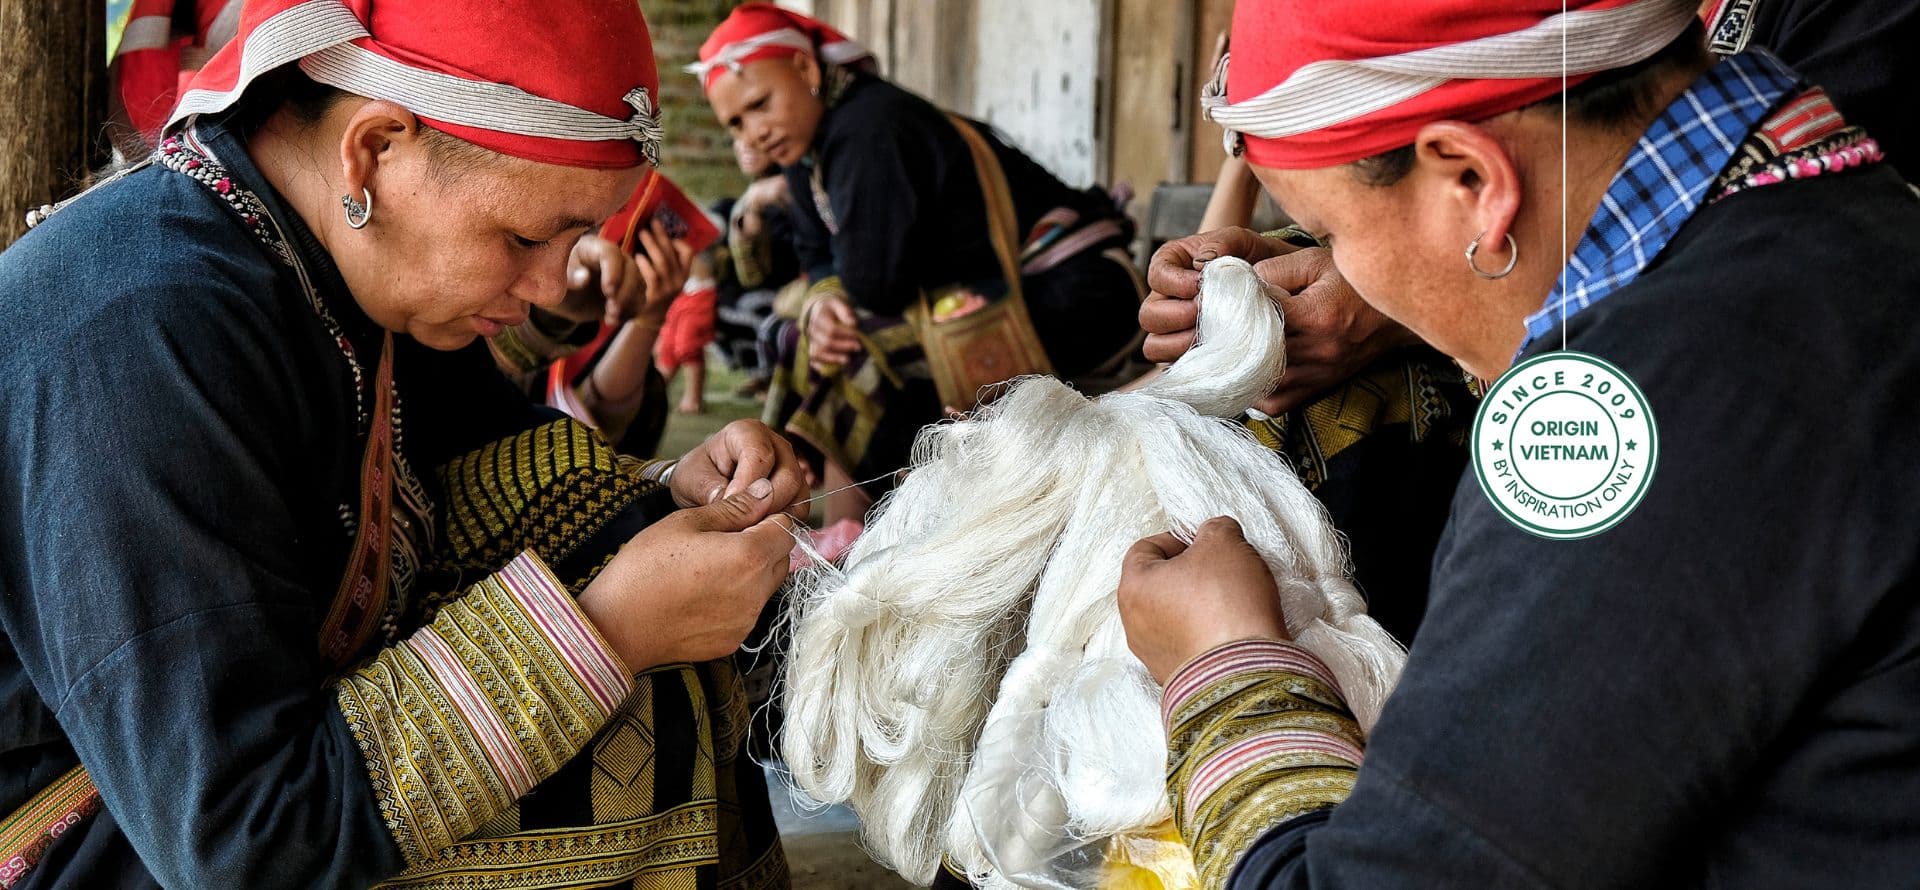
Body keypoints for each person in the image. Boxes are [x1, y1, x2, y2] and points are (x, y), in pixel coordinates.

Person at [0, 0, 808, 886]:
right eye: (526, 236)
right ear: (375, 151)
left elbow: (511, 460)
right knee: (629, 752)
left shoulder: (322, 259)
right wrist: (608, 633)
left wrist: (678, 491)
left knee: (651, 623)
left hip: (216, 800)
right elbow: (237, 837)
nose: (549, 285)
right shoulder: (139, 336)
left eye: (576, 238)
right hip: (85, 836)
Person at [1117, 0, 1920, 887]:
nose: (1347, 274)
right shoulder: (1842, 221)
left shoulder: (1626, 412)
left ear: (1473, 178)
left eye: (1334, 234)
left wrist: (1225, 663)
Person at [694, 3, 1146, 524]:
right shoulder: (807, 149)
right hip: (988, 299)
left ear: (806, 70)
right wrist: (822, 302)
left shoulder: (870, 127)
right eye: (736, 123)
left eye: (760, 103)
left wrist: (835, 301)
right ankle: (822, 530)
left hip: (1077, 296)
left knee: (850, 355)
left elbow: (875, 285)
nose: (754, 133)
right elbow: (817, 255)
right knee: (817, 338)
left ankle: (844, 537)